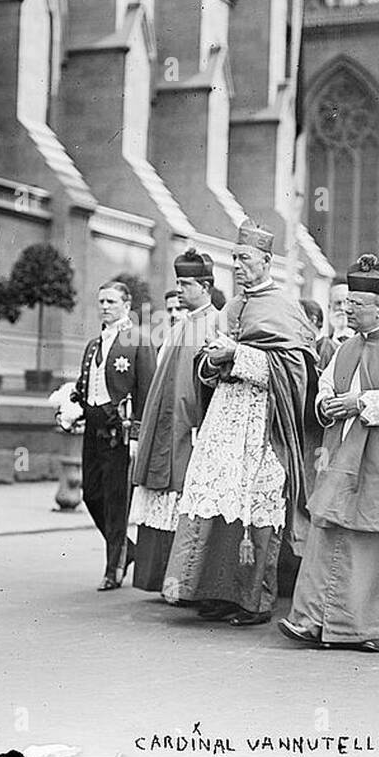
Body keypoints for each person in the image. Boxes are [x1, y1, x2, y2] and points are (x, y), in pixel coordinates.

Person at [279, 255, 379, 651]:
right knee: (326, 532)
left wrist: (362, 403)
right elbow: (325, 384)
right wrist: (325, 404)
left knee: (374, 542)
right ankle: (311, 621)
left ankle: (377, 629)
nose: (347, 309)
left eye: (357, 304)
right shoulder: (346, 347)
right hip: (341, 457)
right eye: (347, 302)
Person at [162, 220, 315, 626]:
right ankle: (214, 592)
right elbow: (205, 366)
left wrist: (238, 356)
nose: (239, 266)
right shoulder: (230, 307)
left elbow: (295, 372)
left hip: (262, 423)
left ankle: (252, 600)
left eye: (245, 259)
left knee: (252, 507)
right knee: (214, 503)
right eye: (234, 260)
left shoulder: (284, 308)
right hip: (224, 419)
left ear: (267, 261)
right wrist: (213, 361)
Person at [129, 250, 219, 592]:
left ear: (206, 286)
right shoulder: (182, 324)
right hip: (167, 421)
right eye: (178, 282)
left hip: (192, 427)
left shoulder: (215, 324)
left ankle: (184, 581)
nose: (179, 289)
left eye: (186, 283)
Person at [72, 280, 155, 591]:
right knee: (91, 494)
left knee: (117, 501)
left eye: (111, 301)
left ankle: (113, 569)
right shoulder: (94, 344)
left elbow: (146, 392)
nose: (105, 307)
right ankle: (126, 550)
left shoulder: (138, 340)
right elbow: (86, 386)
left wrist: (136, 434)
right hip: (93, 429)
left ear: (126, 305)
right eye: (102, 301)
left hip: (119, 433)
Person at [316, 280, 353, 366]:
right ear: (329, 307)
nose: (342, 308)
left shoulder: (365, 344)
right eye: (338, 303)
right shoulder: (320, 347)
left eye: (346, 302)